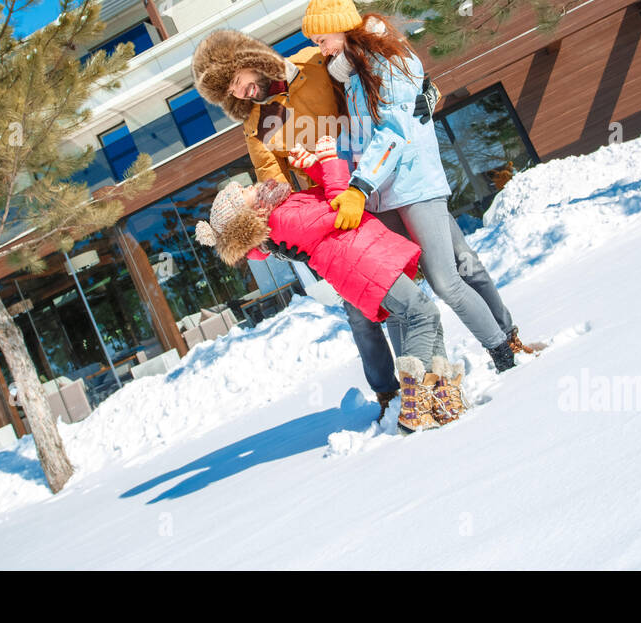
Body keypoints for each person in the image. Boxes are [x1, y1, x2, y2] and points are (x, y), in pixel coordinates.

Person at [301, 0, 544, 373]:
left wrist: (360, 187)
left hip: (413, 186)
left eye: (321, 39)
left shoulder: (385, 61)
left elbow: (394, 132)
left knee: (448, 279)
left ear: (341, 29)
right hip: (385, 194)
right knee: (401, 289)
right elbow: (364, 139)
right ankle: (428, 372)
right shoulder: (354, 77)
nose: (320, 49)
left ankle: (504, 352)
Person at [192, 28, 428, 418]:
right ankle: (392, 393)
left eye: (236, 82)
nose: (238, 93)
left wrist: (421, 89)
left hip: (381, 174)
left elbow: (371, 70)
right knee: (361, 308)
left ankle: (487, 349)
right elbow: (273, 181)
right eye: (229, 93)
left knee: (429, 272)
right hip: (334, 205)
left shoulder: (313, 64)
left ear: (250, 60)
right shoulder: (258, 124)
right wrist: (273, 229)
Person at [194, 136, 468, 433]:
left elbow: (324, 198)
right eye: (245, 192)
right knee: (423, 314)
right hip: (363, 264)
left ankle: (442, 395)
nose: (252, 185)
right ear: (248, 213)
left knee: (425, 316)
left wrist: (313, 167)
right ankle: (415, 402)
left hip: (367, 258)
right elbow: (339, 210)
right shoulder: (281, 218)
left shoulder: (282, 209)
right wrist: (330, 161)